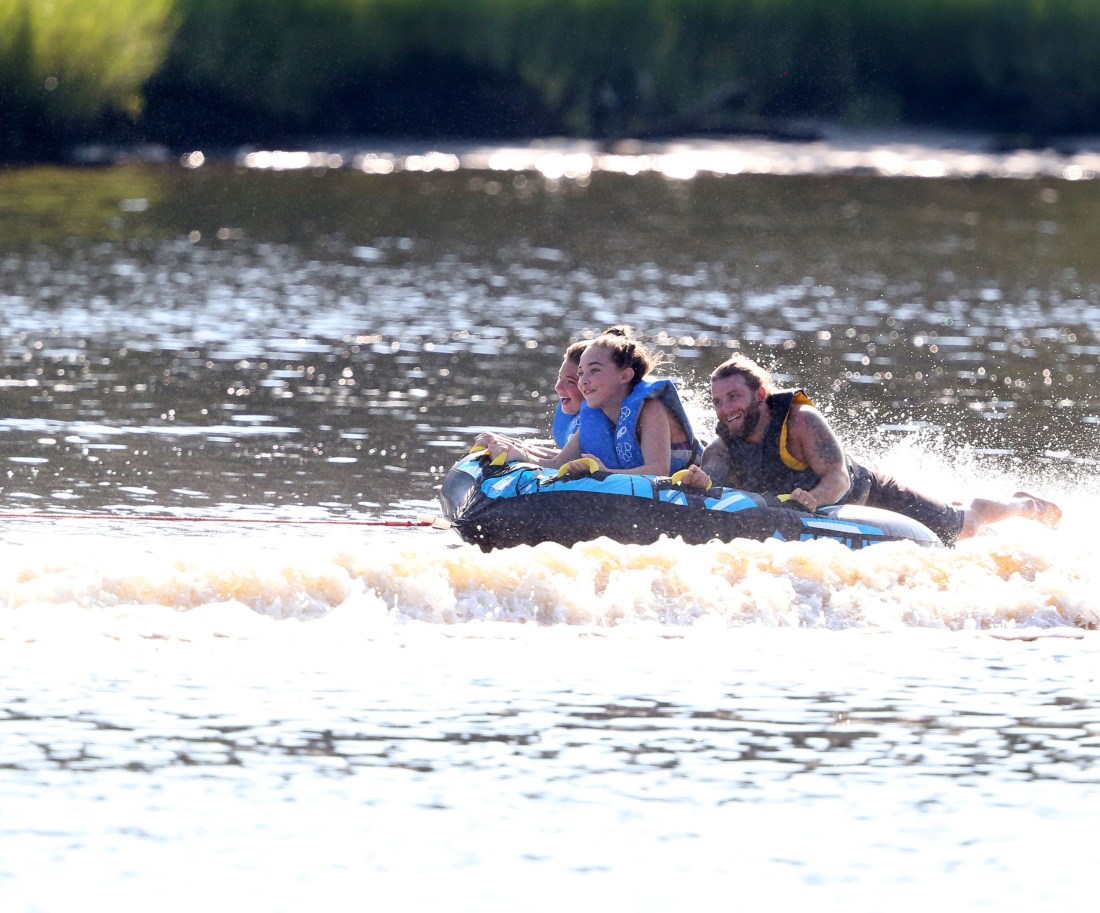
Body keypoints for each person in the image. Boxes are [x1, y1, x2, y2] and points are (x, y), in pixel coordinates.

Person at [676, 353, 1061, 546]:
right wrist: (697, 480)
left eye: (733, 397)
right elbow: (712, 480)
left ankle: (1025, 507)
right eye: (717, 402)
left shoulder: (800, 420)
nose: (725, 409)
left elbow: (837, 476)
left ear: (760, 394)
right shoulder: (724, 441)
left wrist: (811, 499)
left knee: (963, 526)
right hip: (817, 509)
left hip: (870, 492)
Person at [485, 326, 703, 477]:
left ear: (624, 376)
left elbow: (658, 471)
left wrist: (604, 473)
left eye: (594, 371)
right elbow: (557, 464)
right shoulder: (596, 415)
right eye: (580, 373)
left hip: (695, 482)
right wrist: (517, 453)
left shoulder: (650, 409)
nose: (584, 381)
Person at [476, 340, 588, 462]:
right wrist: (520, 445)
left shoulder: (602, 419)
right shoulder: (587, 417)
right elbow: (568, 457)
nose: (557, 387)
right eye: (559, 378)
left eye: (570, 381)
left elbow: (560, 463)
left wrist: (522, 455)